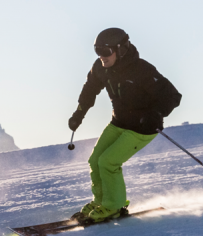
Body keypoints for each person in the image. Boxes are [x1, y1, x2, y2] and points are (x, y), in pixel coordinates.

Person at [68, 28, 181, 223]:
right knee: (95, 160)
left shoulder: (142, 70)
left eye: (105, 51)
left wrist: (155, 114)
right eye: (97, 51)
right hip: (119, 122)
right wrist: (79, 113)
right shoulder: (101, 68)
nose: (101, 57)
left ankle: (114, 206)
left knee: (109, 162)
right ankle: (101, 201)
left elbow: (172, 96)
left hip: (143, 127)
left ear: (120, 50)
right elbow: (89, 91)